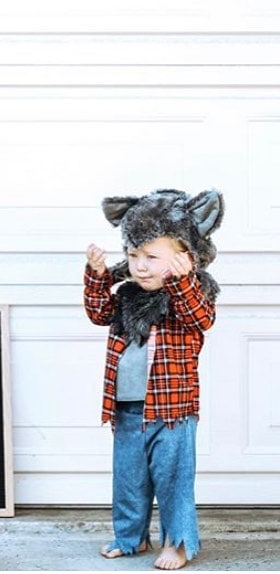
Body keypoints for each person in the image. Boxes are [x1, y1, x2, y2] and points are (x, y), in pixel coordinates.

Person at [83, 189, 224, 571]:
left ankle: (177, 543)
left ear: (185, 259)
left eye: (151, 257)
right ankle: (131, 538)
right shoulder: (128, 296)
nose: (140, 266)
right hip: (127, 410)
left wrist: (181, 282)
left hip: (172, 413)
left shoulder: (189, 298)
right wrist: (97, 277)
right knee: (128, 481)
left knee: (173, 482)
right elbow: (98, 313)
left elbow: (201, 320)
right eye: (132, 255)